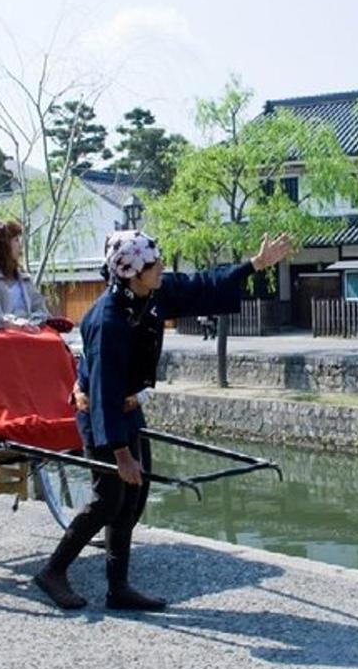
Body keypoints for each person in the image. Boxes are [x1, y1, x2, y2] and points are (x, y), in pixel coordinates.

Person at [33, 229, 293, 611]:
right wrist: (121, 453)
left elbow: (200, 285)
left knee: (133, 497)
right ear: (133, 272)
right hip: (101, 414)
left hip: (126, 407)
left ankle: (118, 588)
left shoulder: (151, 294)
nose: (162, 268)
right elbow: (102, 392)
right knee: (109, 498)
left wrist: (252, 265)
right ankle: (53, 571)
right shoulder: (107, 320)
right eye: (155, 264)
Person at [0, 220, 50, 332]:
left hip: (32, 333)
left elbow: (40, 309)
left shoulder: (25, 279)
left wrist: (32, 323)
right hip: (2, 337)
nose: (20, 245)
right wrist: (17, 324)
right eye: (16, 240)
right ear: (2, 245)